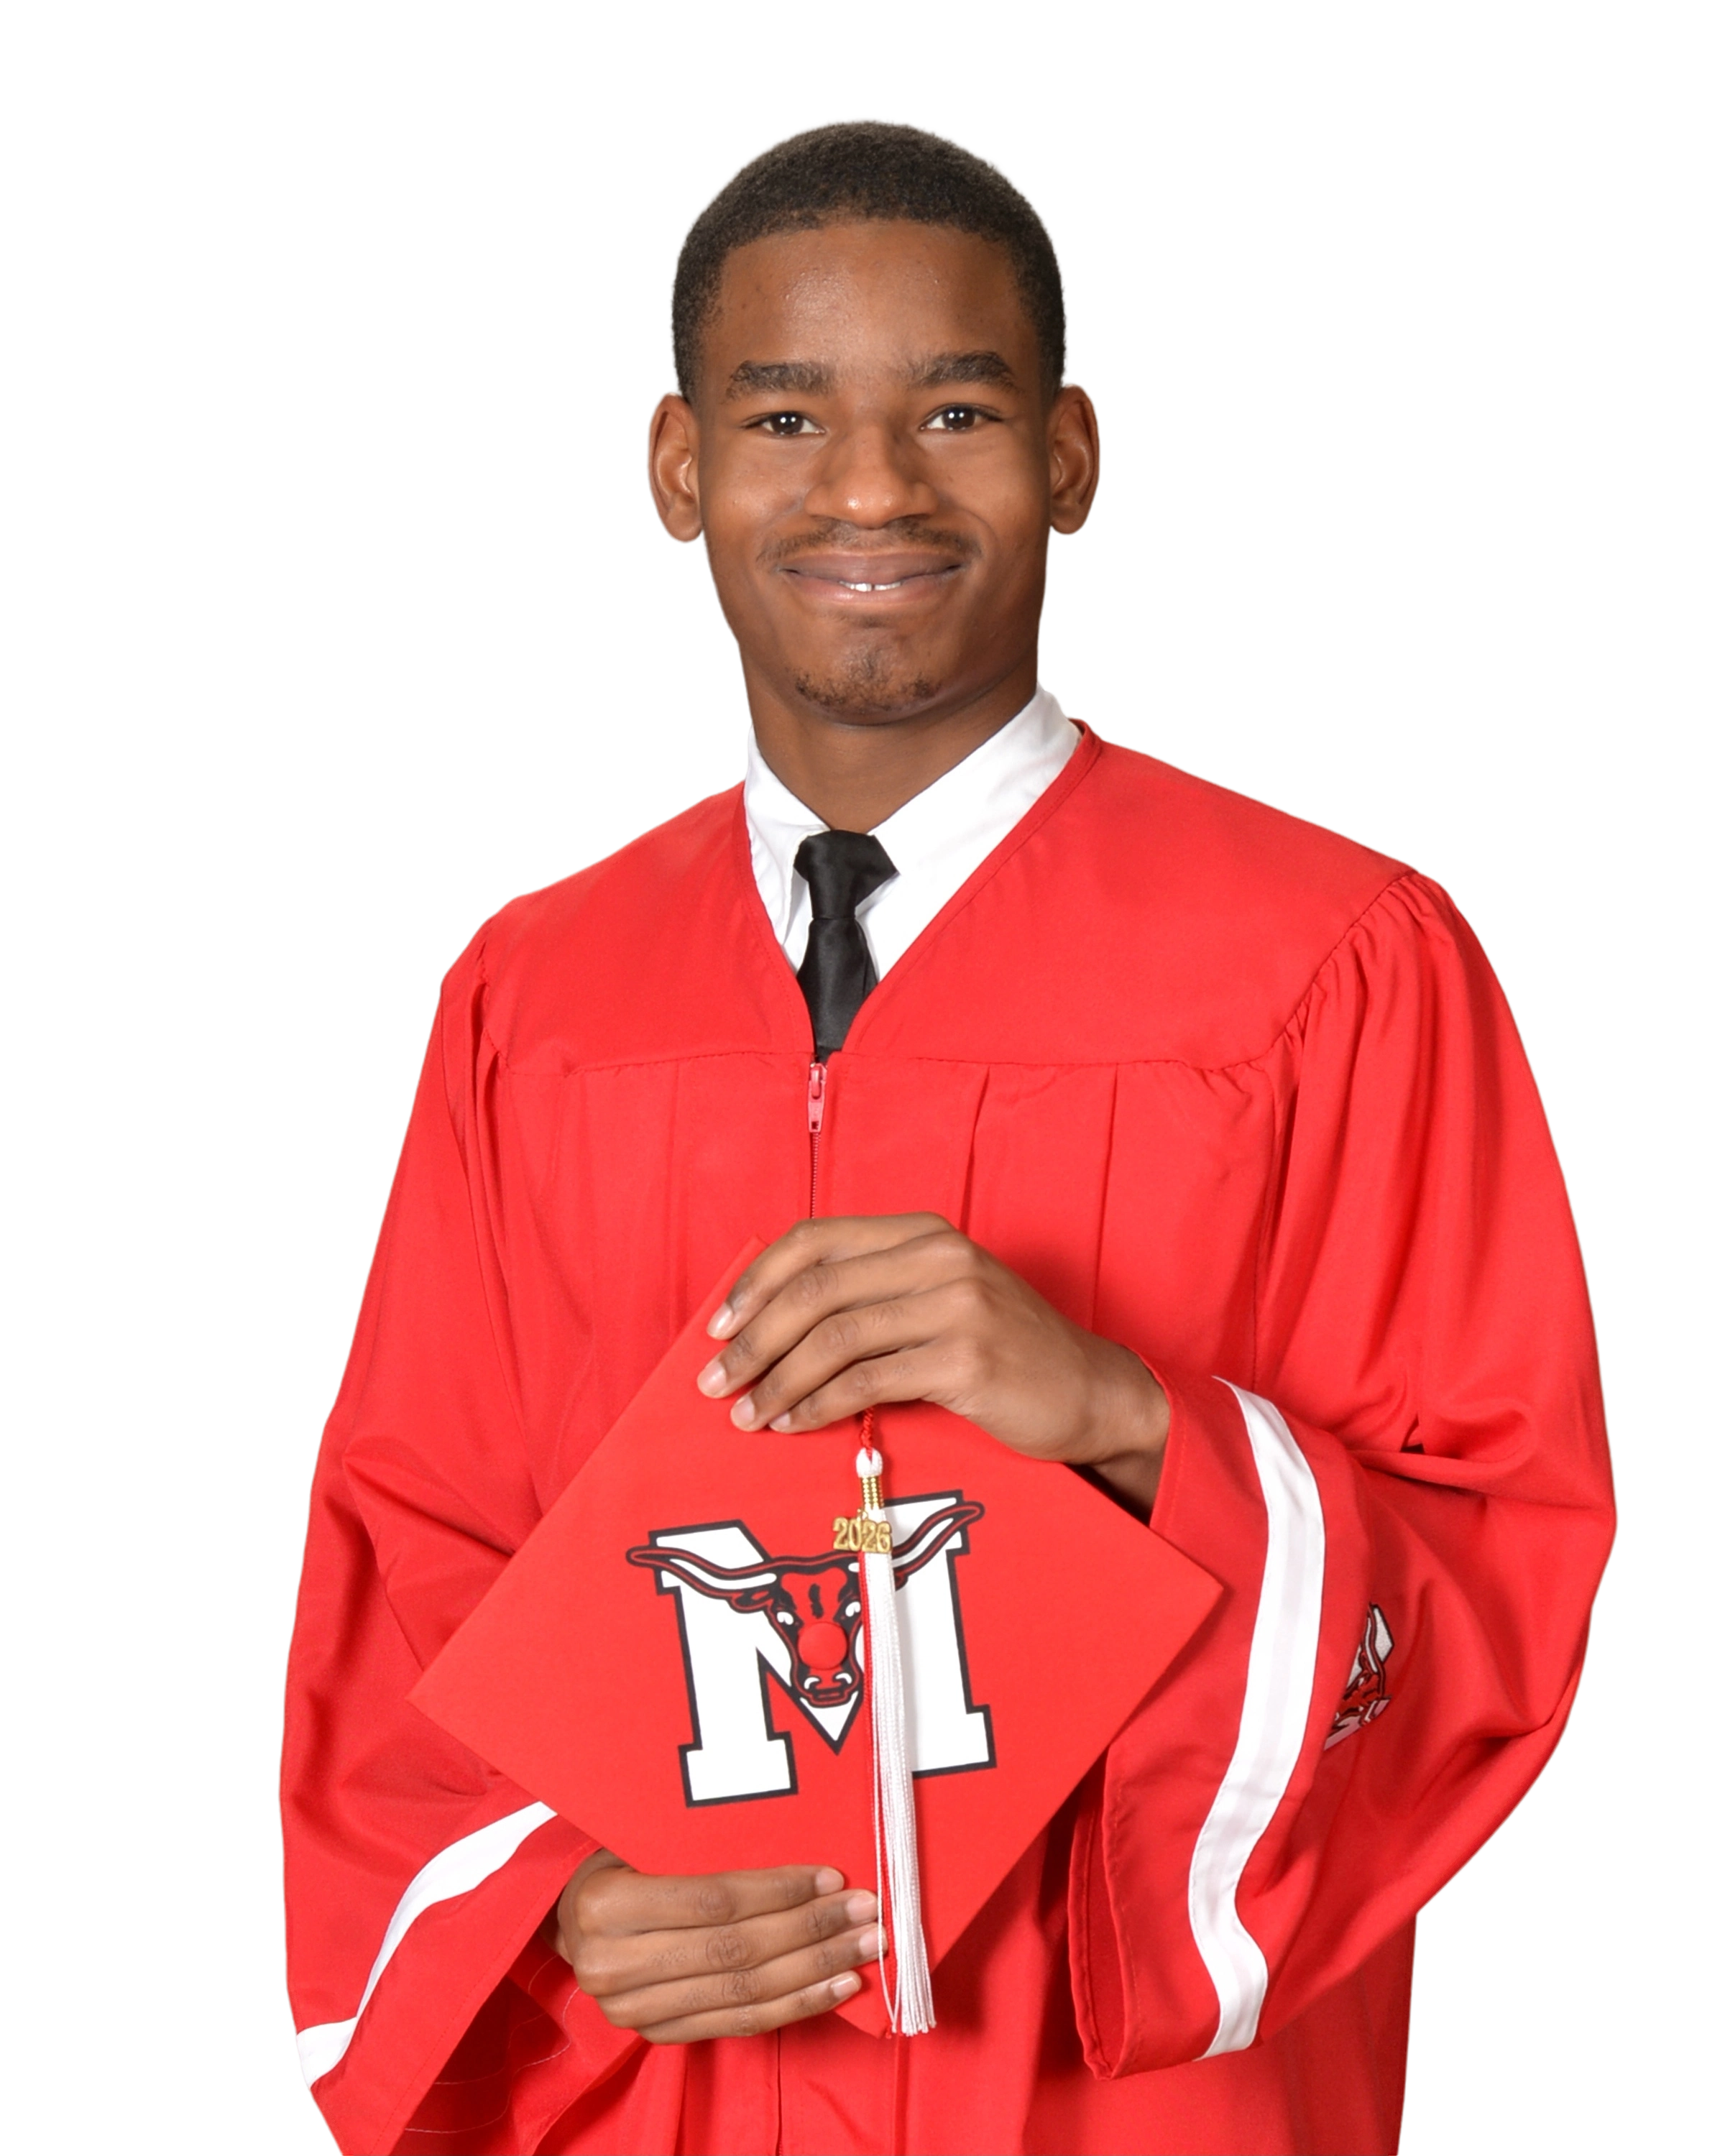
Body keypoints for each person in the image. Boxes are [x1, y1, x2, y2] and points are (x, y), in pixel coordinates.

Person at [280, 117, 1616, 2156]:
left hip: (1132, 2108)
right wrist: (551, 1901)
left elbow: (1503, 1562)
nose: (872, 487)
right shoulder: (537, 994)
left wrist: (1128, 1415)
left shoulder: (1337, 961)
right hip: (681, 2090)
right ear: (677, 471)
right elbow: (412, 1561)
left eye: (958, 412)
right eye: (786, 418)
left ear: (1073, 457)